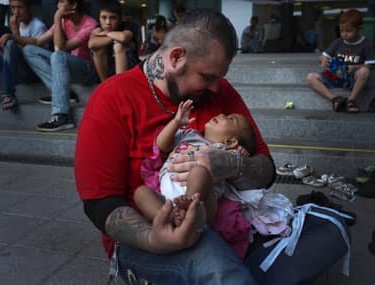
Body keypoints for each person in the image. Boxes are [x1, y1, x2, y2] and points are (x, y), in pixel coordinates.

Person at [75, 9, 349, 285]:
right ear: (177, 57)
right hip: (149, 237)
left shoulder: (219, 91)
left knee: (332, 233)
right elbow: (100, 204)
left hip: (225, 222)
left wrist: (230, 164)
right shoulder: (111, 99)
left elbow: (266, 170)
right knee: (215, 262)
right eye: (207, 77)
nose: (217, 88)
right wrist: (154, 238)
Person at [135, 99, 255, 249]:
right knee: (140, 192)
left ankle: (189, 209)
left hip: (203, 204)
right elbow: (162, 145)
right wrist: (176, 123)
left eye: (231, 119)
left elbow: (241, 168)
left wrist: (240, 155)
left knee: (199, 172)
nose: (223, 114)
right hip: (167, 197)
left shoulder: (224, 151)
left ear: (230, 141)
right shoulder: (190, 134)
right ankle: (170, 217)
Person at [22, 0, 98, 132]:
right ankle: (65, 93)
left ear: (74, 5)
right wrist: (12, 35)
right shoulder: (64, 21)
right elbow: (37, 41)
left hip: (87, 71)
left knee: (57, 55)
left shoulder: (90, 24)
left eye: (62, 1)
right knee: (29, 50)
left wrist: (57, 18)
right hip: (69, 67)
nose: (58, 6)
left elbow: (61, 48)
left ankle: (62, 116)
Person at [306, 9, 374, 113]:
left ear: (359, 28)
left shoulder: (366, 44)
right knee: (311, 77)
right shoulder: (338, 42)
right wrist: (324, 60)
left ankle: (351, 100)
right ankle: (335, 99)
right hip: (335, 75)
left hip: (352, 77)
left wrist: (355, 67)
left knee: (364, 71)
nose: (345, 34)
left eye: (349, 31)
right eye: (342, 31)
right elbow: (323, 56)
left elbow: (370, 65)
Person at [0, 0, 47, 110]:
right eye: (13, 8)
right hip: (15, 71)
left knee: (11, 43)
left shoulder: (38, 26)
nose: (16, 12)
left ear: (29, 8)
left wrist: (14, 32)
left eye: (20, 7)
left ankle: (7, 93)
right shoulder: (15, 23)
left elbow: (32, 56)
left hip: (32, 72)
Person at [88, 1, 138, 82]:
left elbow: (124, 37)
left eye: (113, 18)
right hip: (108, 70)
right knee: (98, 49)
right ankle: (104, 84)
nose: (108, 22)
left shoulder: (129, 25)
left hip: (130, 70)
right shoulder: (98, 28)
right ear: (99, 18)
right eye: (104, 17)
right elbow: (91, 44)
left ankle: (119, 85)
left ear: (120, 19)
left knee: (118, 46)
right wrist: (114, 37)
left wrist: (106, 33)